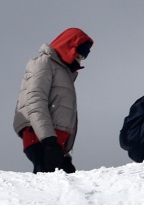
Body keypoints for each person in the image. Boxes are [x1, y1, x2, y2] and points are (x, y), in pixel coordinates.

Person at [14, 28, 93, 174]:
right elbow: (35, 99)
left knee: (61, 185)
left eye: (83, 56)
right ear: (70, 47)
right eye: (80, 54)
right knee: (45, 180)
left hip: (55, 141)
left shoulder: (64, 72)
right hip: (40, 137)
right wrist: (48, 139)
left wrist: (64, 154)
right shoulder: (43, 64)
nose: (80, 59)